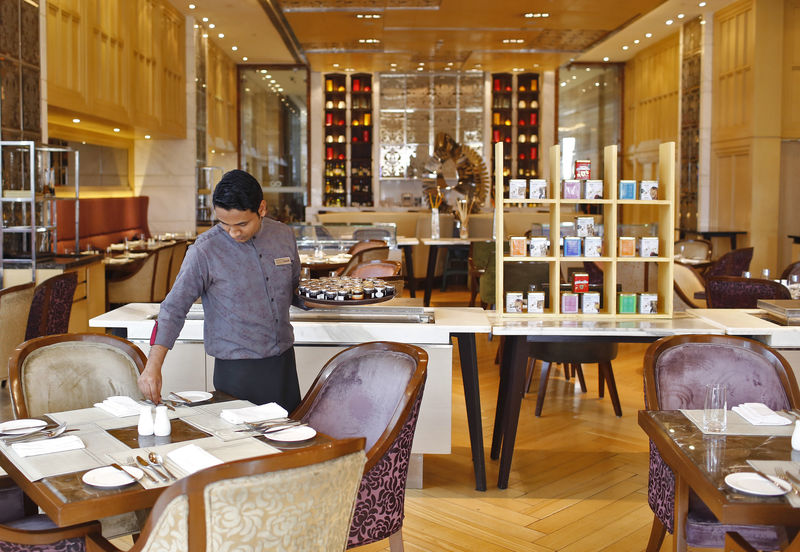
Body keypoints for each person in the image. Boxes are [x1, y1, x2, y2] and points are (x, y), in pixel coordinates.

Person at [137, 169, 302, 411]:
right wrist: (153, 366)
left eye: (242, 224)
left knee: (291, 440)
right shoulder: (204, 250)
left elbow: (295, 287)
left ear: (262, 209)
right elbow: (173, 308)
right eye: (224, 224)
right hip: (236, 371)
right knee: (242, 446)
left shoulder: (284, 236)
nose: (233, 232)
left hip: (284, 363)